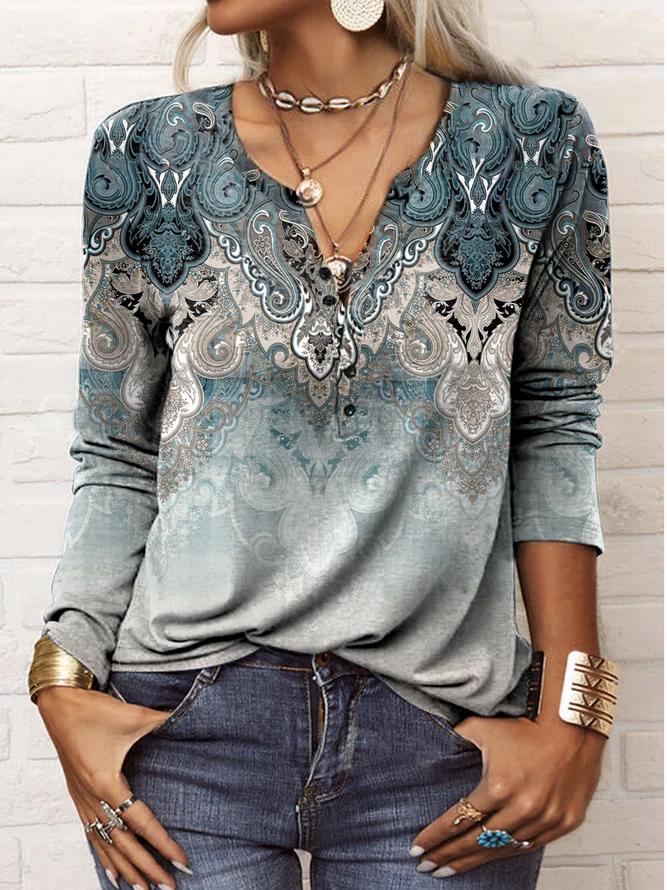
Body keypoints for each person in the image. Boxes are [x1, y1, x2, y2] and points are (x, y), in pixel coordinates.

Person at [28, 2, 619, 888]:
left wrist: (574, 719)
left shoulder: (532, 142)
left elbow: (552, 431)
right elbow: (116, 451)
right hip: (181, 731)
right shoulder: (145, 152)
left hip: (440, 734)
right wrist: (60, 680)